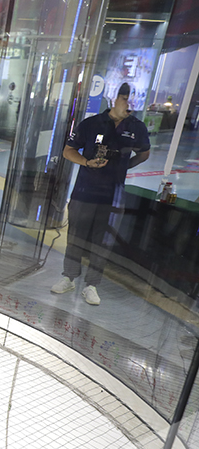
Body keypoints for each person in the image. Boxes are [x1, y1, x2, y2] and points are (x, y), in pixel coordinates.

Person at [53, 83, 150, 306]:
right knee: (76, 235)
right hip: (85, 191)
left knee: (101, 241)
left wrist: (123, 167)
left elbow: (144, 153)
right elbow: (68, 151)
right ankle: (68, 277)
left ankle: (92, 284)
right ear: (113, 99)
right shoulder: (91, 124)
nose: (129, 104)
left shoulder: (137, 127)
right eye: (125, 99)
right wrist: (87, 162)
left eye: (132, 100)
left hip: (112, 195)